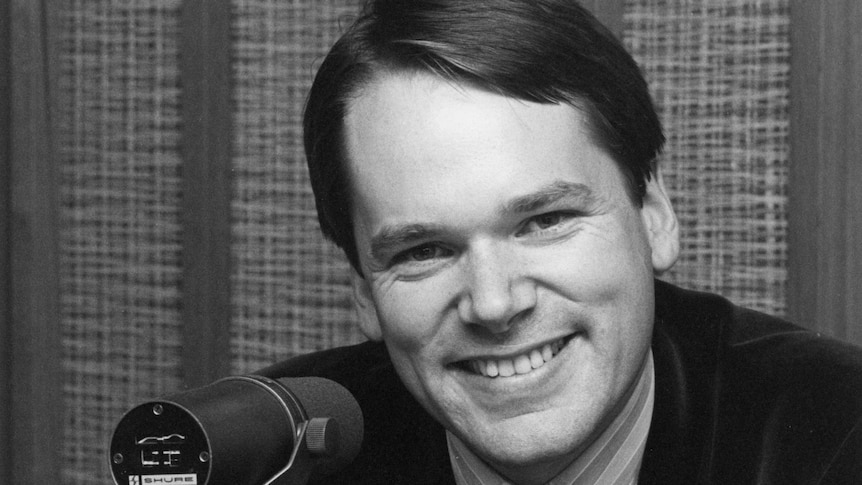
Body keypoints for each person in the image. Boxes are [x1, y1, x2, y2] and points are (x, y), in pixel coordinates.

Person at [260, 0, 862, 483]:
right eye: (423, 251)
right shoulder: (274, 453)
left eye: (544, 221)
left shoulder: (835, 433)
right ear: (364, 290)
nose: (494, 304)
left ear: (653, 215)